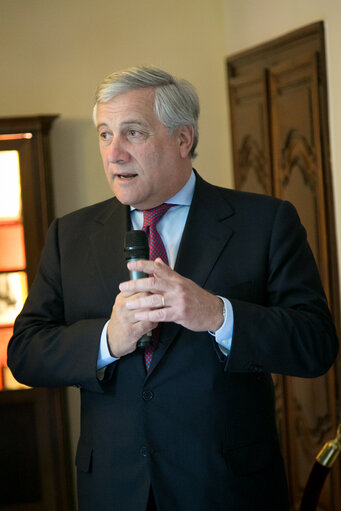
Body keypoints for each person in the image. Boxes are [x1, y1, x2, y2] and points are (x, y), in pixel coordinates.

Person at [7, 66, 338, 511]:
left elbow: (316, 345)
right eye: (105, 134)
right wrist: (108, 340)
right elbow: (25, 352)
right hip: (114, 491)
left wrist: (220, 315)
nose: (114, 153)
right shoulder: (71, 234)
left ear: (184, 140)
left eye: (133, 133)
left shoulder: (265, 222)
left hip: (228, 490)